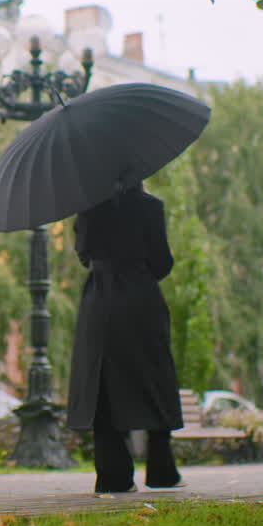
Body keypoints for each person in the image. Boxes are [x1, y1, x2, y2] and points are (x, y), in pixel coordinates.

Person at [66, 182, 184, 493]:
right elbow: (163, 261)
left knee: (102, 382)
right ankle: (162, 470)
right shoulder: (151, 206)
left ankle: (113, 476)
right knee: (153, 376)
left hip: (100, 300)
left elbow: (83, 253)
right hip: (140, 296)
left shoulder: (88, 206)